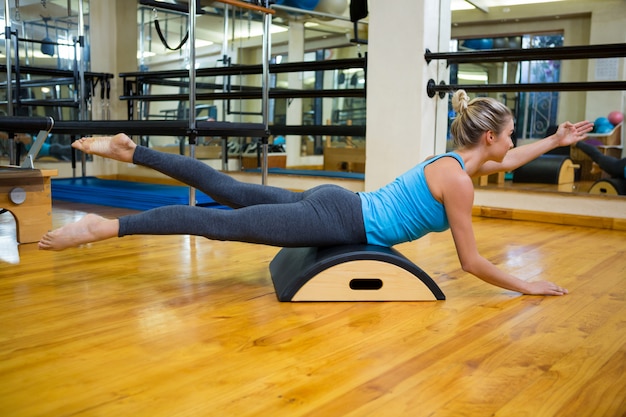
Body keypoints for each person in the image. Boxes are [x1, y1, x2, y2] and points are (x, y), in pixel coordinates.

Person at [38, 90, 594, 296]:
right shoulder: (460, 184)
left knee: (229, 193)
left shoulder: (452, 163)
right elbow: (469, 262)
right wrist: (527, 285)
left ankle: (130, 150)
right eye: (514, 133)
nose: (516, 143)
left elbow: (514, 156)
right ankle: (100, 228)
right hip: (341, 224)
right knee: (220, 222)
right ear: (490, 137)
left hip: (338, 202)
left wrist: (555, 137)